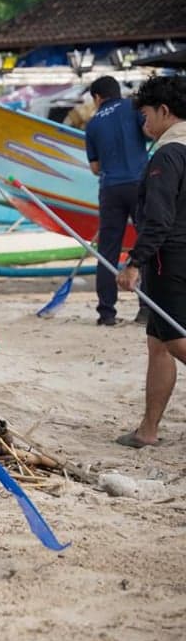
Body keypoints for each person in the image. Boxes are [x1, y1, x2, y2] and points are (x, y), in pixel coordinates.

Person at [115, 75, 186, 448]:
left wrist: (134, 262)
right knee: (158, 341)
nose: (143, 124)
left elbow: (158, 218)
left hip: (170, 259)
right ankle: (148, 429)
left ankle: (148, 428)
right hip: (177, 255)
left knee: (175, 340)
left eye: (145, 114)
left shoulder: (168, 153)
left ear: (163, 110)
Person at [86, 75, 151, 326]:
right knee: (145, 243)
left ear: (97, 98)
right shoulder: (133, 107)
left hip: (111, 189)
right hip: (139, 184)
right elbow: (148, 132)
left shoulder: (92, 124)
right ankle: (146, 308)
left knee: (108, 251)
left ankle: (106, 313)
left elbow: (94, 167)